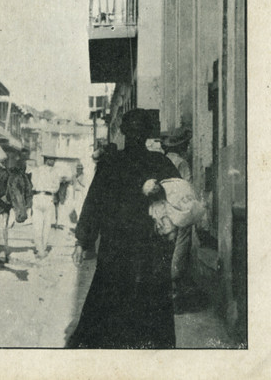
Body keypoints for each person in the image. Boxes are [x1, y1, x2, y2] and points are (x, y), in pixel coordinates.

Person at [68, 109, 181, 348]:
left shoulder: (110, 163)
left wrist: (82, 241)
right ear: (148, 133)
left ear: (122, 131)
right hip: (150, 250)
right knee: (150, 310)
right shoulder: (161, 163)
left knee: (109, 308)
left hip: (115, 250)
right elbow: (180, 200)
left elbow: (94, 203)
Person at [161, 126, 194, 312]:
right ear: (183, 145)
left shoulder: (163, 160)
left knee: (167, 248)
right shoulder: (182, 163)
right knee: (180, 249)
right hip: (179, 209)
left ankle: (166, 294)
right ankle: (175, 296)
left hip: (164, 210)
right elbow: (187, 187)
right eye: (187, 144)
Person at [29, 155, 62, 259]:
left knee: (38, 225)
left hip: (37, 196)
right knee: (46, 226)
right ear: (47, 160)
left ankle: (40, 250)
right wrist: (50, 187)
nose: (53, 161)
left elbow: (32, 183)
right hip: (47, 197)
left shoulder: (36, 170)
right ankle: (42, 249)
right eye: (52, 159)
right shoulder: (55, 172)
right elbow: (56, 187)